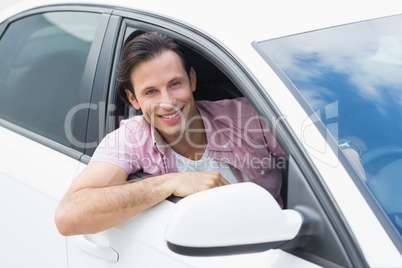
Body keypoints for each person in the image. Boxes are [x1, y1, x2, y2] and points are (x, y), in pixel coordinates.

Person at [55, 32, 287, 236]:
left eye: (175, 84)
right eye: (151, 91)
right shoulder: (132, 139)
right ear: (134, 99)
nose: (168, 102)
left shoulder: (247, 116)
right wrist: (170, 183)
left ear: (192, 79)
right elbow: (68, 216)